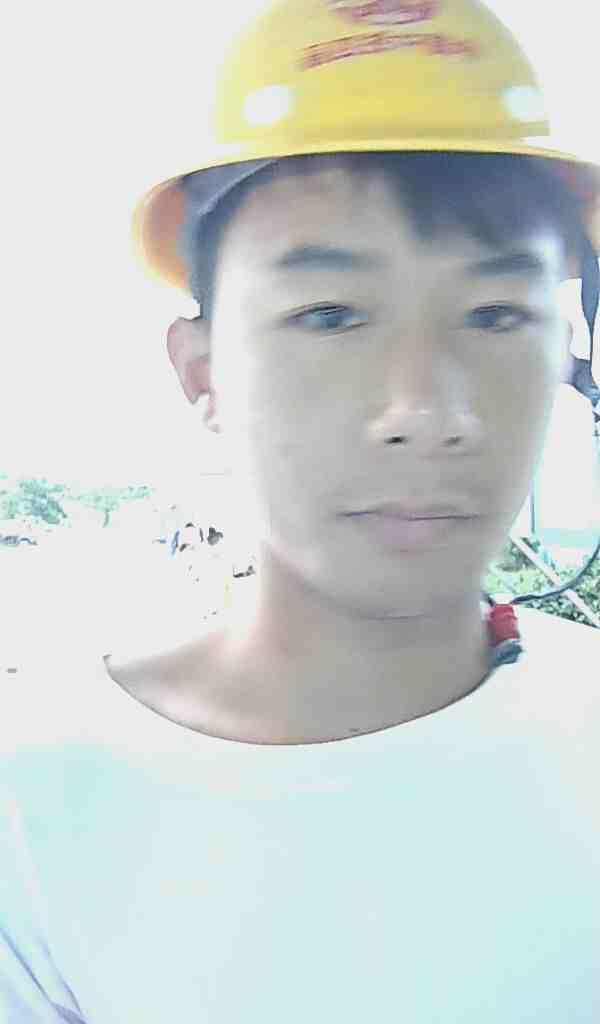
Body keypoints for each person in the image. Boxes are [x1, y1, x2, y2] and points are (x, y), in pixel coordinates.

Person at [2, 2, 600, 1021]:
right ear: (203, 373)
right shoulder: (34, 816)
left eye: (497, 313)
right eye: (329, 315)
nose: (427, 411)